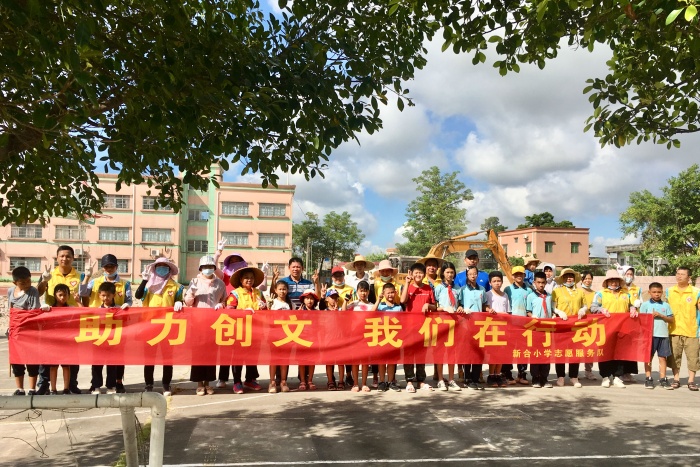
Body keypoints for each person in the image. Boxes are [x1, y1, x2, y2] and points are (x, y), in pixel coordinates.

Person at [134, 257, 185, 396]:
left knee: (167, 358)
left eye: (165, 266)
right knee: (149, 358)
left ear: (169, 269)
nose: (162, 268)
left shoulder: (176, 287)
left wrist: (179, 302)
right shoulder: (148, 286)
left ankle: (166, 385)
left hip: (167, 327)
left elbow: (179, 301)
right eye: (159, 266)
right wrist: (144, 280)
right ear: (155, 269)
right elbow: (138, 296)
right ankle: (148, 384)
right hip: (149, 327)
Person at [37, 245, 83, 394]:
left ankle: (71, 385)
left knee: (72, 357)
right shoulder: (49, 274)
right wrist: (44, 281)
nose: (65, 258)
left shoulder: (80, 276)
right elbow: (38, 292)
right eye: (62, 256)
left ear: (73, 258)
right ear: (57, 258)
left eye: (68, 256)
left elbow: (86, 298)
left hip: (71, 323)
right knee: (47, 355)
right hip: (51, 322)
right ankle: (44, 385)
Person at [184, 256, 227, 396]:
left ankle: (208, 383)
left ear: (214, 268)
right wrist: (192, 292)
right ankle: (199, 384)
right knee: (198, 354)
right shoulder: (194, 281)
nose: (207, 269)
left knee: (210, 354)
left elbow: (224, 300)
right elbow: (188, 302)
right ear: (200, 268)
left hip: (214, 323)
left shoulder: (220, 283)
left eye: (210, 266)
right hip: (198, 322)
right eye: (205, 267)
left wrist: (221, 305)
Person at [590, 269, 638, 388]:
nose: (613, 283)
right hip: (605, 328)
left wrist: (632, 308)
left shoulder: (625, 294)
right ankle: (605, 376)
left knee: (620, 352)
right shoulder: (600, 294)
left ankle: (617, 376)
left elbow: (630, 305)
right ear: (607, 282)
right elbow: (593, 307)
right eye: (611, 280)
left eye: (616, 280)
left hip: (622, 328)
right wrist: (601, 309)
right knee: (605, 351)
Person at [226, 265, 268, 394]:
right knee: (237, 357)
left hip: (255, 330)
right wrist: (243, 312)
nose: (249, 280)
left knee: (253, 356)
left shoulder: (259, 293)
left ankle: (250, 379)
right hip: (239, 330)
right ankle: (237, 382)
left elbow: (266, 311)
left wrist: (264, 307)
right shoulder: (235, 294)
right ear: (241, 280)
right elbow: (229, 312)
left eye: (251, 278)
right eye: (246, 278)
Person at [9, 266, 49, 395]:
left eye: (28, 281)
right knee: (17, 361)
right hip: (15, 332)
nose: (26, 284)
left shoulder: (33, 291)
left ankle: (32, 389)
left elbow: (33, 312)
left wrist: (21, 315)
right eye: (22, 283)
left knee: (31, 361)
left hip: (29, 331)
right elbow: (11, 311)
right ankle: (20, 389)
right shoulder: (10, 292)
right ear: (15, 282)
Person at [401, 262, 437, 393]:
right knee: (409, 354)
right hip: (409, 326)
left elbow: (435, 306)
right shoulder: (408, 287)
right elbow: (402, 300)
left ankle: (421, 380)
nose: (418, 275)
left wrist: (428, 305)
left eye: (420, 273)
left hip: (424, 326)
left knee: (422, 354)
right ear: (411, 273)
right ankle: (409, 381)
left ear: (424, 274)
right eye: (416, 272)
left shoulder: (428, 288)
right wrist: (407, 283)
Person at [89, 281, 127, 394]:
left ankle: (111, 386)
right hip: (99, 340)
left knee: (112, 364)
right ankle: (96, 386)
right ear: (99, 295)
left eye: (108, 295)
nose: (106, 298)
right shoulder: (97, 310)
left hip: (113, 341)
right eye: (103, 295)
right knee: (97, 364)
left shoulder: (119, 309)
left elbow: (125, 324)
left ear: (114, 295)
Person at [666, 266, 700, 391]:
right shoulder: (669, 291)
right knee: (675, 356)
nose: (679, 276)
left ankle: (691, 381)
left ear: (689, 277)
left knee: (693, 357)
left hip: (691, 330)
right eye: (678, 273)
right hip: (674, 330)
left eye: (682, 274)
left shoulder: (696, 292)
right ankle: (676, 379)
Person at [551, 268, 586, 388]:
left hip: (576, 325)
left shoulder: (580, 292)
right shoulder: (557, 291)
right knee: (560, 351)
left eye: (571, 276)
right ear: (562, 278)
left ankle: (573, 377)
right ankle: (560, 376)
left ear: (574, 278)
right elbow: (552, 305)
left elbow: (585, 304)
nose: (569, 278)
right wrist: (558, 311)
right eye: (566, 276)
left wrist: (583, 309)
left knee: (575, 351)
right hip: (561, 324)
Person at [433, 262, 463, 391]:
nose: (450, 275)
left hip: (454, 323)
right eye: (447, 272)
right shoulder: (439, 288)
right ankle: (440, 379)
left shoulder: (458, 288)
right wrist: (443, 308)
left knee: (452, 352)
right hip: (441, 322)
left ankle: (451, 379)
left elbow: (460, 303)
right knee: (440, 352)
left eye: (452, 272)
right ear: (443, 273)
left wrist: (460, 307)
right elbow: (434, 306)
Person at [639, 282, 674, 390]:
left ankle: (663, 379)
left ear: (662, 292)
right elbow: (641, 320)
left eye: (659, 292)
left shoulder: (666, 305)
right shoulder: (645, 305)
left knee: (662, 357)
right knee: (648, 357)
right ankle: (648, 378)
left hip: (663, 335)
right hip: (650, 335)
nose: (657, 294)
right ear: (649, 292)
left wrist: (661, 315)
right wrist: (650, 317)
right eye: (654, 292)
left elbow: (671, 319)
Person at [460, 266, 489, 390]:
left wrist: (489, 309)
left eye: (475, 273)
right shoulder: (462, 290)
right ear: (467, 275)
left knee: (478, 352)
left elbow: (484, 305)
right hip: (466, 325)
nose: (473, 276)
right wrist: (460, 308)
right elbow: (459, 305)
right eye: (470, 274)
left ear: (477, 275)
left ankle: (476, 378)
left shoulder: (482, 289)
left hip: (479, 325)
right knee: (467, 352)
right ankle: (467, 379)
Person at [372, 283, 403, 392]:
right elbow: (371, 313)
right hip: (381, 337)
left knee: (391, 361)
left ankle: (390, 382)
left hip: (394, 338)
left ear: (395, 293)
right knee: (381, 361)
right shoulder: (380, 306)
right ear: (383, 293)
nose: (390, 295)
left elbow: (403, 322)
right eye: (388, 293)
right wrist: (378, 300)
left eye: (392, 292)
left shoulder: (399, 307)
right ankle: (381, 381)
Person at [504, 265, 532, 385]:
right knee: (509, 349)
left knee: (523, 349)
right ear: (513, 276)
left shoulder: (529, 290)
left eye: (521, 274)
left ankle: (522, 373)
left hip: (525, 325)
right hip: (511, 324)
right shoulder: (508, 289)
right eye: (516, 274)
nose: (519, 276)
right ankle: (508, 373)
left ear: (524, 275)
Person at [526, 271, 553, 388]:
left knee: (546, 354)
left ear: (546, 283)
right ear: (534, 283)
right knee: (535, 353)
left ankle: (544, 378)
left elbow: (552, 309)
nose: (541, 285)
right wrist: (532, 316)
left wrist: (555, 315)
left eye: (543, 282)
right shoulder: (531, 296)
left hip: (547, 329)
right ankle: (535, 378)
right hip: (535, 330)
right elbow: (528, 311)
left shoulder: (549, 296)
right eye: (538, 282)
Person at [46, 284, 73, 394]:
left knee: (66, 366)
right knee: (53, 366)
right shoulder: (49, 309)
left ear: (68, 296)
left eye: (65, 295)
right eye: (60, 295)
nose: (62, 297)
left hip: (66, 342)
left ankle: (66, 388)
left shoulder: (72, 309)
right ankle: (53, 389)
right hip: (53, 343)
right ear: (55, 295)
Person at [485, 270, 510, 387]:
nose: (497, 283)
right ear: (490, 283)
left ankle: (498, 374)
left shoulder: (505, 296)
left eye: (499, 281)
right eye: (494, 281)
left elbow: (508, 311)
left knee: (501, 353)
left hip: (503, 327)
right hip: (491, 328)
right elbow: (484, 308)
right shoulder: (487, 294)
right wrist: (488, 310)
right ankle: (491, 375)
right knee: (493, 353)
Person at [348, 281, 374, 392]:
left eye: (365, 291)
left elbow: (374, 314)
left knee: (365, 362)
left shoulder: (371, 305)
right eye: (361, 291)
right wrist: (346, 300)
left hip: (367, 336)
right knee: (355, 361)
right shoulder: (353, 304)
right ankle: (355, 384)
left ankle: (364, 383)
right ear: (357, 291)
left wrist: (378, 300)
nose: (363, 293)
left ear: (368, 292)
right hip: (354, 336)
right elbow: (343, 311)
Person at [269, 280, 294, 393]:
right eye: (280, 289)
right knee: (273, 360)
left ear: (287, 290)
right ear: (275, 290)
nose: (282, 291)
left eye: (284, 289)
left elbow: (295, 318)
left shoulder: (290, 304)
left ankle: (283, 381)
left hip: (287, 335)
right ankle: (272, 382)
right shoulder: (272, 302)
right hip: (274, 335)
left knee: (284, 359)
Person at [323, 289, 347, 390]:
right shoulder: (324, 311)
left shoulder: (341, 310)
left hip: (340, 340)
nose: (334, 299)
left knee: (340, 362)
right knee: (329, 362)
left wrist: (337, 314)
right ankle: (330, 381)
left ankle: (341, 381)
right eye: (331, 297)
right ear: (327, 299)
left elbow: (345, 321)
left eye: (335, 297)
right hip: (328, 340)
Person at [297, 288, 320, 391]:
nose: (309, 301)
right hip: (301, 339)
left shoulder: (317, 312)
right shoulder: (299, 311)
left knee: (312, 361)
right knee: (301, 361)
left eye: (311, 298)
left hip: (313, 339)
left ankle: (310, 380)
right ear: (303, 300)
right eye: (307, 298)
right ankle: (302, 381)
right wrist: (298, 314)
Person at [579, 270, 597, 380]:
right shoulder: (577, 292)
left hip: (591, 324)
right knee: (576, 347)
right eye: (585, 278)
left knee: (590, 348)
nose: (587, 280)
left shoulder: (595, 294)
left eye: (589, 278)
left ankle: (588, 370)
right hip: (578, 323)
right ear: (581, 280)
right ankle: (574, 372)